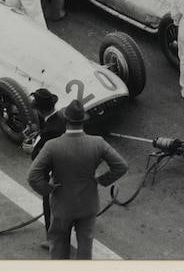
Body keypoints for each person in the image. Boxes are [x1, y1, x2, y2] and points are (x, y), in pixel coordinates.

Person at [27, 100, 128, 260]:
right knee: (85, 248)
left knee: (59, 246)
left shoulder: (52, 146)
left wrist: (48, 189)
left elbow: (32, 176)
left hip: (62, 204)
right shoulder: (98, 143)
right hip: (88, 203)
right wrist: (101, 180)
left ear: (65, 121)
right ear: (84, 121)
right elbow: (121, 166)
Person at [28, 88, 63, 247]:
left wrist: (31, 150)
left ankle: (53, 240)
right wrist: (39, 133)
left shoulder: (50, 130)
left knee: (49, 204)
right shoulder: (60, 118)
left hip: (55, 172)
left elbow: (38, 156)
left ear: (40, 111)